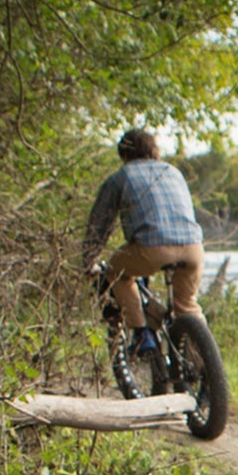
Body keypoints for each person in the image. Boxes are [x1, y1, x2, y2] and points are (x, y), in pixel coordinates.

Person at [83, 128, 204, 355]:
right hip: (193, 247)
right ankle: (208, 373)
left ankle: (141, 333)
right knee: (187, 306)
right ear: (153, 150)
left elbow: (99, 225)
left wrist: (88, 261)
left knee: (116, 271)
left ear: (124, 155)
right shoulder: (173, 172)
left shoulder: (121, 177)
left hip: (152, 249)